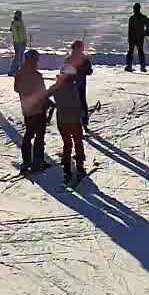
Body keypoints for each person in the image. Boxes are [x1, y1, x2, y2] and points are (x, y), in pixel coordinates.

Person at [52, 43, 90, 187]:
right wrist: (82, 115)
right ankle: (79, 165)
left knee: (67, 144)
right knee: (78, 142)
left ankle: (67, 167)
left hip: (61, 120)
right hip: (74, 120)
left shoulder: (56, 87)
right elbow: (77, 105)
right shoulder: (73, 88)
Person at [14, 49, 51, 174]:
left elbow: (16, 89)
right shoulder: (36, 76)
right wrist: (48, 103)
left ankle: (26, 162)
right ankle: (38, 162)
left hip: (27, 109)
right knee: (39, 136)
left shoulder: (19, 73)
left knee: (29, 134)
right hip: (38, 110)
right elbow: (42, 94)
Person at [126, 3, 148, 72]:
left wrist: (129, 38)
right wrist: (144, 33)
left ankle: (129, 66)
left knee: (131, 52)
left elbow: (130, 29)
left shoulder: (132, 18)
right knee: (140, 52)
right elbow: (147, 26)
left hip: (132, 37)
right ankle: (143, 67)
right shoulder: (143, 17)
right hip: (140, 37)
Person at [9, 9, 28, 76]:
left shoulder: (20, 21)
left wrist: (25, 40)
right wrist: (18, 41)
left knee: (20, 57)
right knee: (17, 57)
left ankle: (19, 70)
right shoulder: (15, 23)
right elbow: (15, 33)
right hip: (18, 42)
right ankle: (12, 70)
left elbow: (23, 32)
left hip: (22, 41)